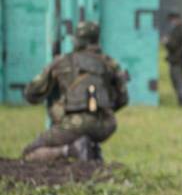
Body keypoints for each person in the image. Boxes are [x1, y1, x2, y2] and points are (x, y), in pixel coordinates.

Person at [21, 21, 129, 162]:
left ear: (78, 40)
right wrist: (100, 110)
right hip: (107, 125)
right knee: (84, 134)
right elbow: (123, 99)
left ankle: (71, 150)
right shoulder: (110, 63)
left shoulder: (62, 61)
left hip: (75, 124)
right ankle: (91, 148)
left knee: (30, 153)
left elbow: (31, 93)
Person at [163, 11, 182, 107]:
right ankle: (181, 100)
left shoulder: (180, 30)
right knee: (176, 80)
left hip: (178, 59)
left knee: (178, 80)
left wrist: (166, 42)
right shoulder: (179, 29)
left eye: (172, 19)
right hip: (176, 59)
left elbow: (175, 45)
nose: (171, 21)